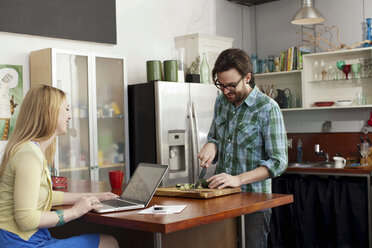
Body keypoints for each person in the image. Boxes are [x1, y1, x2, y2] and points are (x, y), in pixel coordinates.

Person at [0, 85, 119, 248]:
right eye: (67, 109)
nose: (70, 116)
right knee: (109, 242)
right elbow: (27, 220)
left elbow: (46, 195)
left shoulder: (30, 150)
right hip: (20, 243)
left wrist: (93, 196)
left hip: (26, 239)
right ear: (50, 112)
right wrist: (75, 211)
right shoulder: (28, 155)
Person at [198, 48, 287, 248]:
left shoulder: (267, 108)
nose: (226, 91)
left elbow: (278, 163)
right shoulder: (222, 101)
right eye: (220, 85)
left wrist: (237, 180)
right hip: (221, 199)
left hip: (254, 202)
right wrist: (212, 144)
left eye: (231, 85)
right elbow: (216, 136)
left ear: (247, 78)